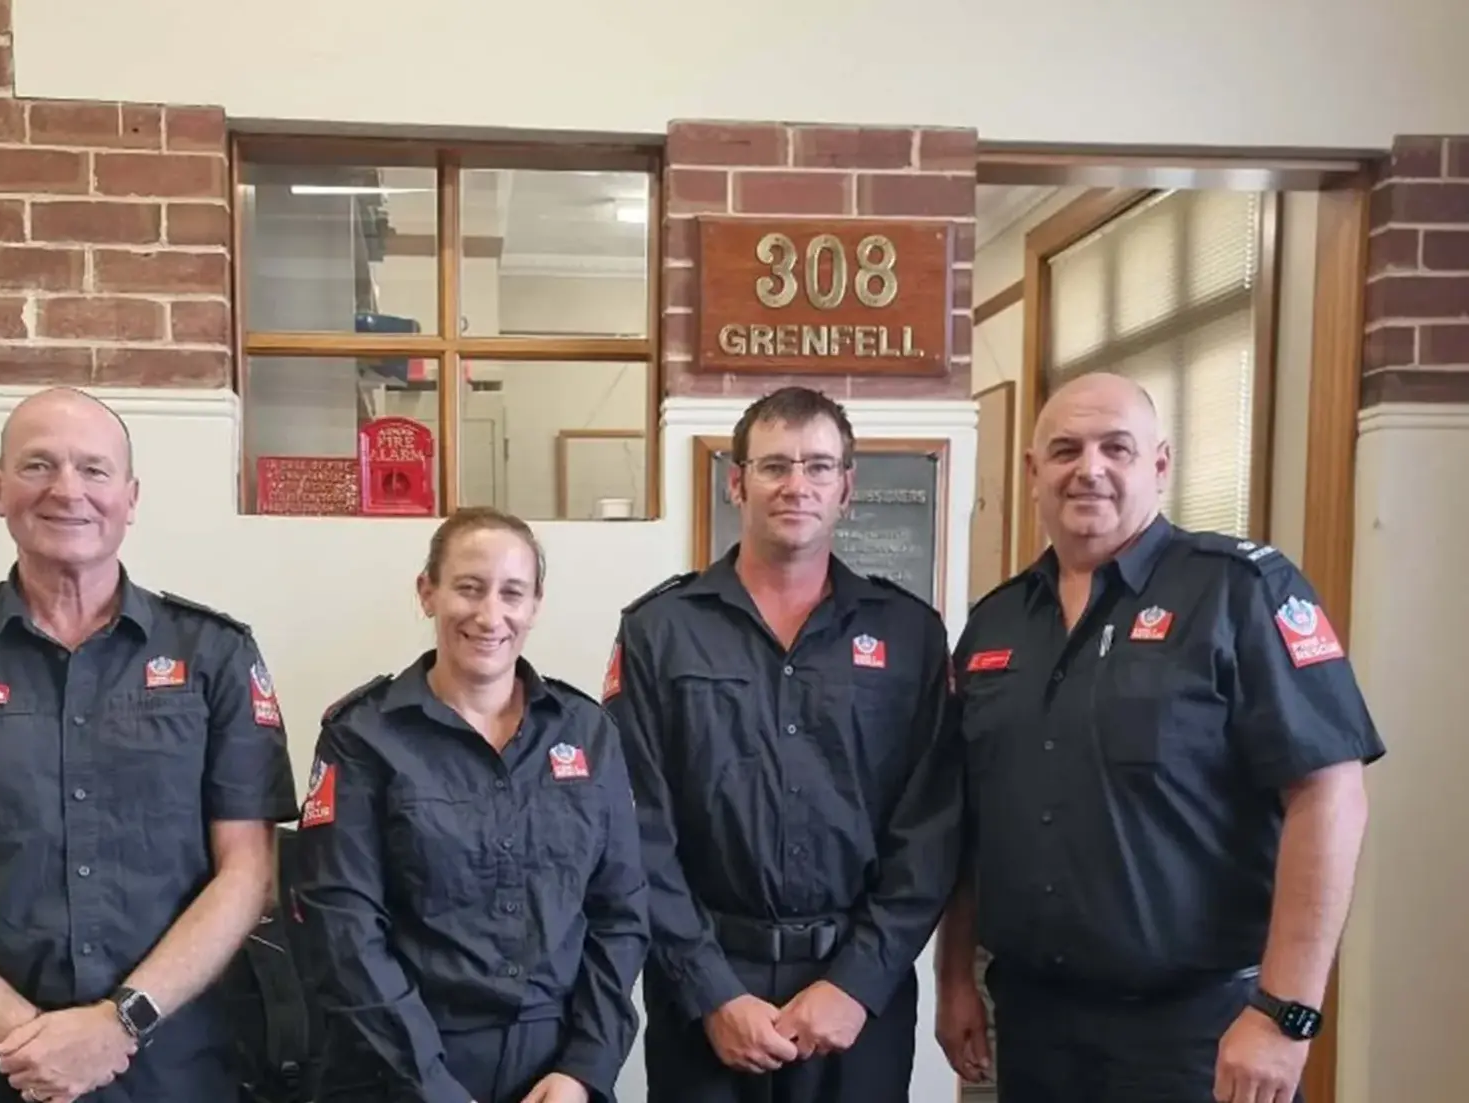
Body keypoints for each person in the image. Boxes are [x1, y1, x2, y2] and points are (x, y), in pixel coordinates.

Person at [0, 386, 302, 1103]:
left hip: (175, 1071)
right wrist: (28, 1037)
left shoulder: (214, 654)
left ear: (130, 496)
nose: (67, 489)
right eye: (38, 465)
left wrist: (119, 1022)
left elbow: (248, 873)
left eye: (94, 469)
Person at [934, 371, 1386, 1103]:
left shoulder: (1239, 591)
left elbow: (1329, 795)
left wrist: (1282, 1014)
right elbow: (968, 819)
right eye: (1064, 449)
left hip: (1202, 1029)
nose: (1090, 468)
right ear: (1031, 471)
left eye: (1116, 447)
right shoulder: (994, 623)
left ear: (1160, 464)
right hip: (1034, 1024)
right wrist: (953, 977)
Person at [604, 386, 964, 1102]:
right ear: (736, 482)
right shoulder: (660, 630)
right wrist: (709, 991)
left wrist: (855, 983)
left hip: (857, 996)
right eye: (774, 466)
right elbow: (632, 825)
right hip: (705, 991)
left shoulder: (909, 635)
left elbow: (932, 829)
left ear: (846, 488)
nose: (797, 485)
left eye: (818, 466)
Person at [287, 507, 649, 1103]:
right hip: (396, 1067)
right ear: (427, 593)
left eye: (512, 593)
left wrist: (585, 1068)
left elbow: (621, 914)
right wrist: (431, 1088)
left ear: (535, 604)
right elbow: (343, 927)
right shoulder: (362, 736)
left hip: (553, 1070)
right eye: (468, 588)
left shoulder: (587, 732)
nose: (490, 615)